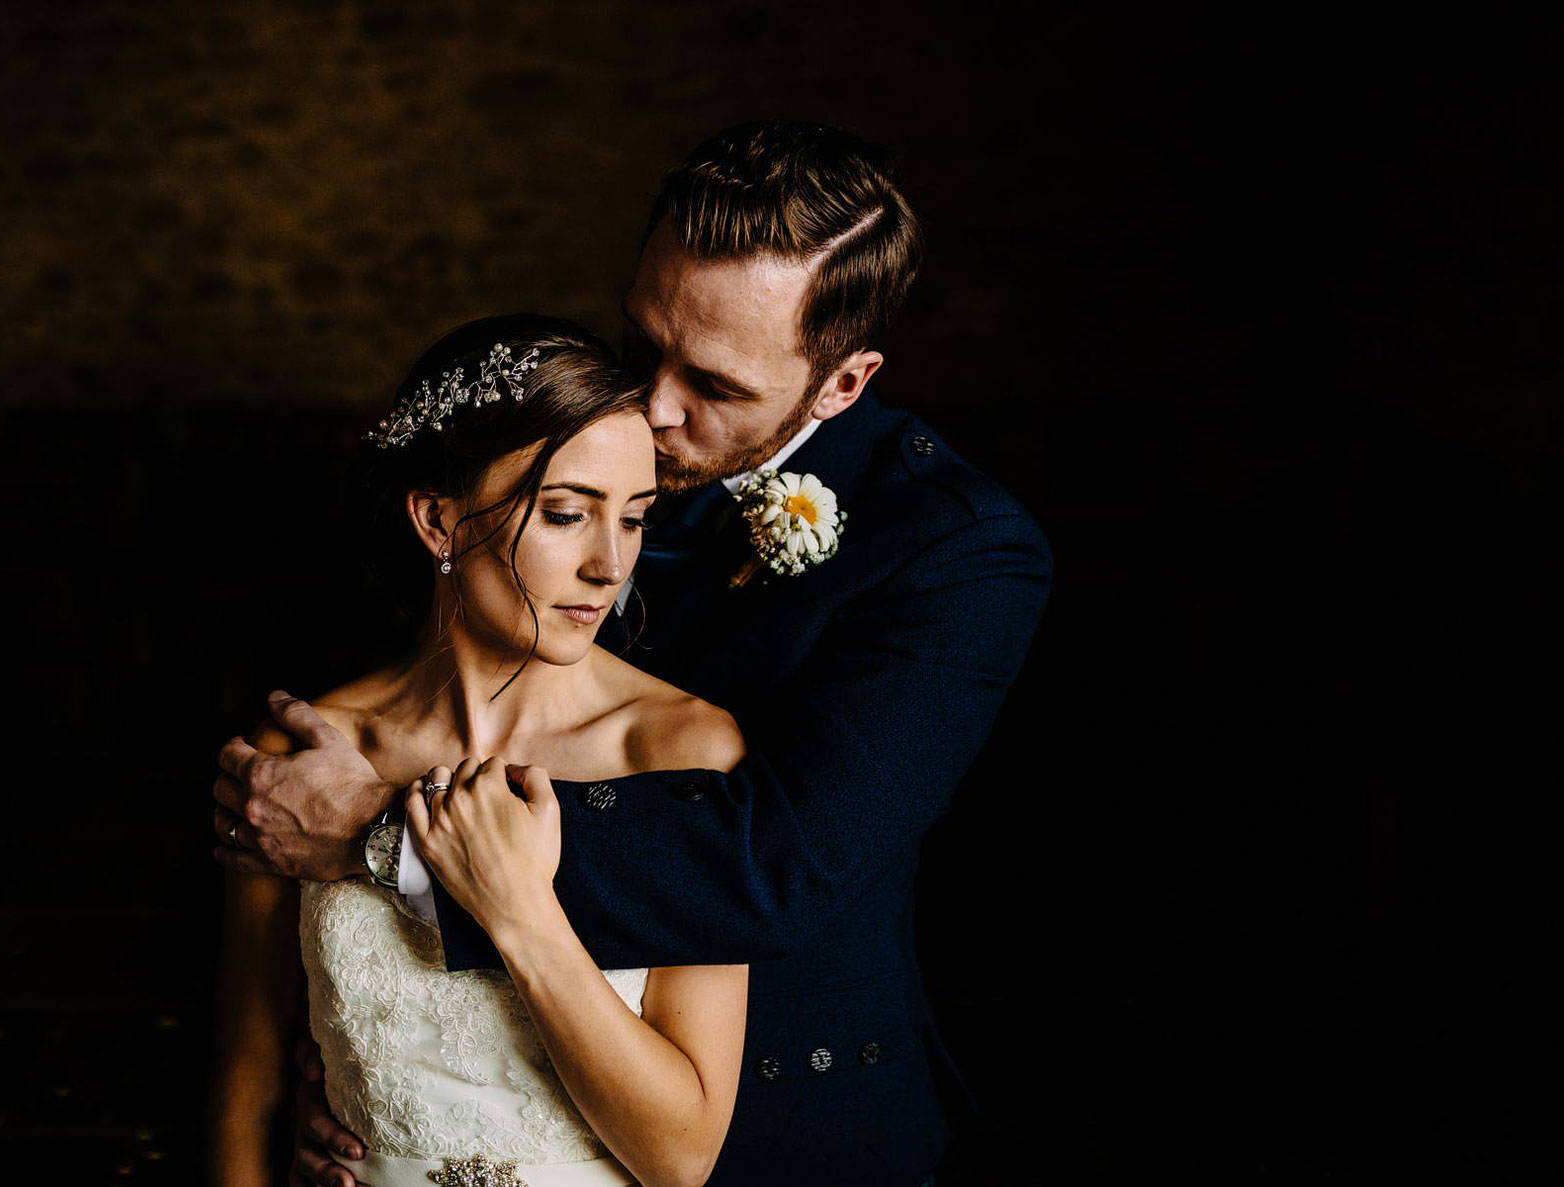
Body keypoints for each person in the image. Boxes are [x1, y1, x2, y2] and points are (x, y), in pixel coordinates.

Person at [215, 122, 1052, 1185]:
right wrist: (372, 1074)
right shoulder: (574, 444)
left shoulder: (957, 549)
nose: (651, 409)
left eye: (713, 383)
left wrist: (383, 835)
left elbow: (778, 865)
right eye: (640, 339)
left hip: (786, 1123)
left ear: (842, 384)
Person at [207, 315, 750, 1187]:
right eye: (568, 513)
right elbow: (249, 1083)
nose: (610, 563)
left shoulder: (680, 749)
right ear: (437, 519)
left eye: (636, 518)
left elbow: (681, 1154)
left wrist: (514, 907)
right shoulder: (302, 757)